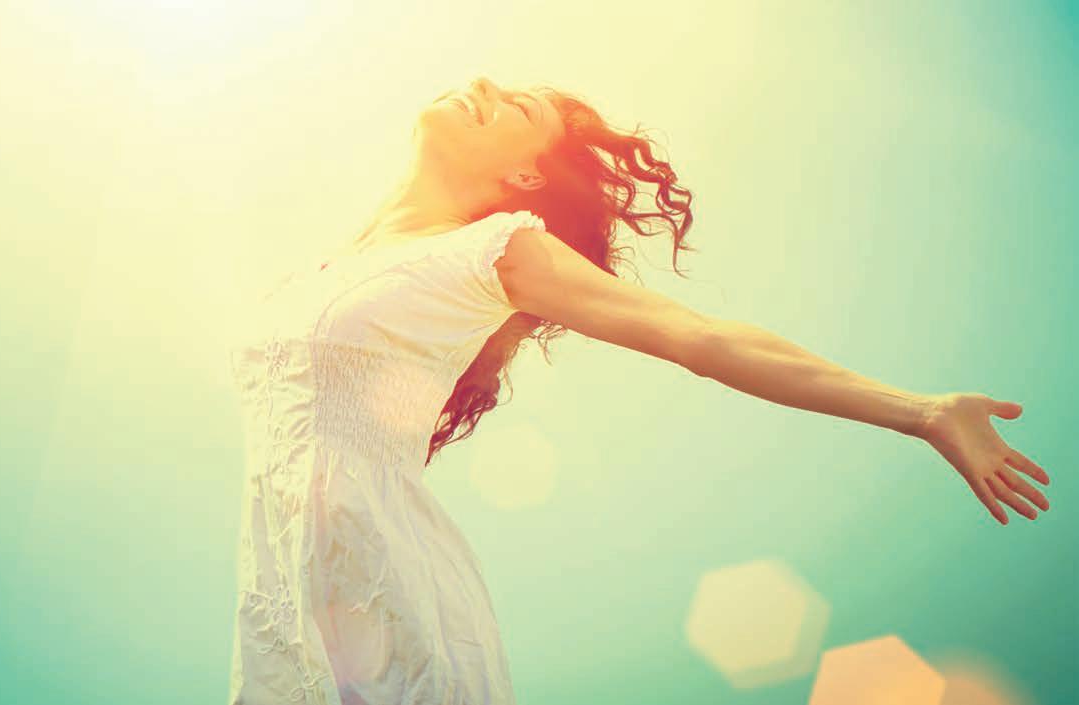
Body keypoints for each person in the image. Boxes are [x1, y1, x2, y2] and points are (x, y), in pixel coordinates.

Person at [224, 76, 1052, 705]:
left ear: (523, 175)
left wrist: (922, 412)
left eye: (516, 107)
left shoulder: (499, 251)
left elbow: (703, 339)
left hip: (393, 599)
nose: (483, 86)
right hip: (281, 613)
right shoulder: (321, 273)